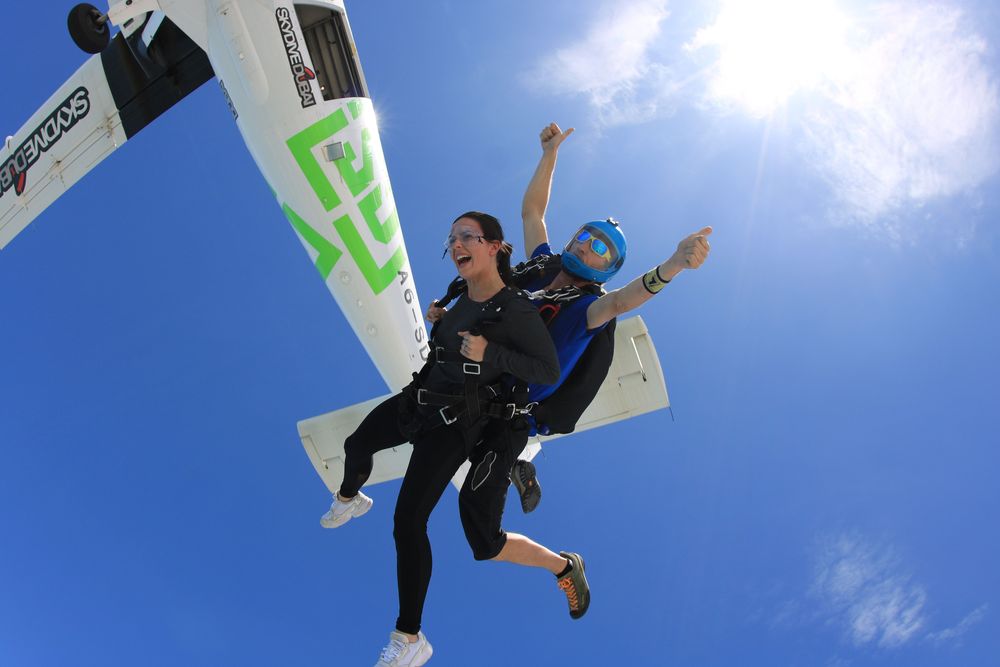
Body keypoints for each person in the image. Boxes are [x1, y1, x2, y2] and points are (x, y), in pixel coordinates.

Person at [427, 122, 712, 622]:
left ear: (608, 266)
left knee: (483, 541)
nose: (586, 249)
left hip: (512, 416)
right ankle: (518, 466)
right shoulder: (539, 267)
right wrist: (550, 153)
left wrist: (672, 266)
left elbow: (628, 298)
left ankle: (564, 565)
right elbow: (532, 212)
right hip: (475, 391)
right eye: (585, 238)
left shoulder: (589, 307)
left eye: (601, 250)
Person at [320, 211, 560, 667]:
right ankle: (351, 498)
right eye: (451, 238)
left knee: (408, 522)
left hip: (457, 423)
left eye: (466, 237)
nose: (455, 245)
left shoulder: (516, 309)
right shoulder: (458, 295)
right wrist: (439, 321)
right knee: (355, 446)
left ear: (494, 246)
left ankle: (410, 638)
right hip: (420, 400)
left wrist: (495, 353)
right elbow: (447, 349)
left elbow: (548, 370)